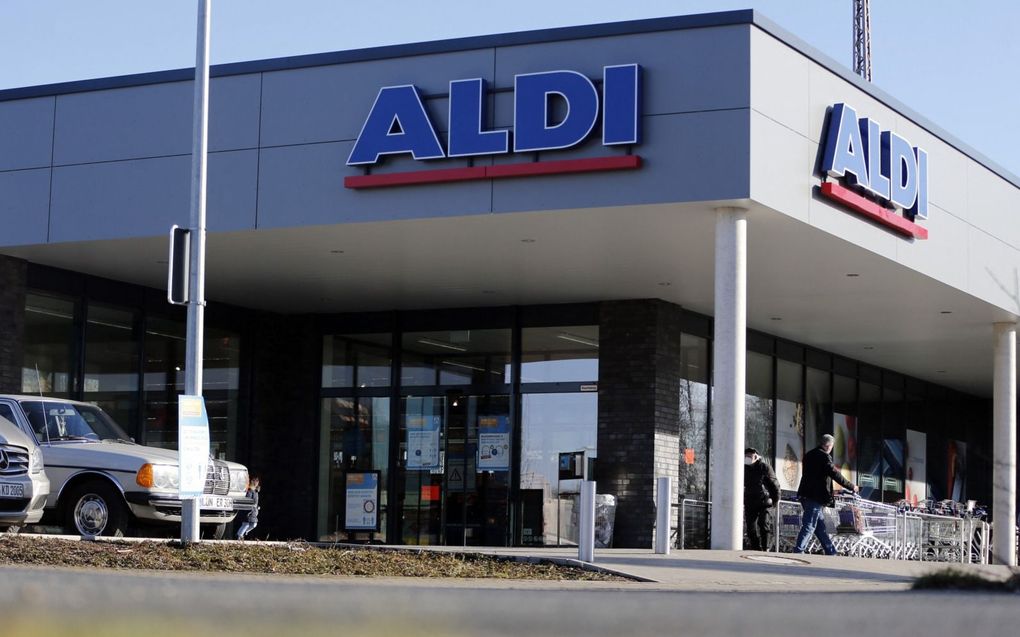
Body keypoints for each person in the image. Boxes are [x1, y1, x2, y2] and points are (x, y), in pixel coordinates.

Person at [793, 434, 859, 555]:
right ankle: (798, 550)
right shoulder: (824, 457)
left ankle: (831, 551)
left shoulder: (809, 454)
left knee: (819, 527)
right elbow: (835, 474)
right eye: (832, 446)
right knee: (810, 524)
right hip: (816, 495)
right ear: (828, 446)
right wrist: (852, 486)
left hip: (804, 493)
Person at [743, 447, 781, 551]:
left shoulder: (764, 467)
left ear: (756, 457)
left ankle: (765, 548)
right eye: (746, 456)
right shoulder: (743, 469)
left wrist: (775, 499)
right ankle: (756, 548)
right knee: (751, 529)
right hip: (750, 501)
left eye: (750, 456)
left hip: (764, 500)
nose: (748, 458)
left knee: (764, 524)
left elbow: (774, 483)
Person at [236, 475, 260, 540]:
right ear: (252, 482)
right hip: (247, 510)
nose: (257, 482)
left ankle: (244, 532)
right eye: (255, 481)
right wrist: (251, 508)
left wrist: (257, 507)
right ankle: (240, 535)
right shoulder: (249, 490)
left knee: (254, 524)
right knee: (246, 524)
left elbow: (255, 501)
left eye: (257, 481)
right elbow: (248, 500)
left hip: (253, 511)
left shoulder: (256, 491)